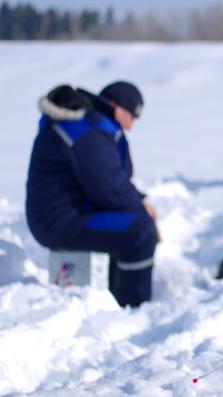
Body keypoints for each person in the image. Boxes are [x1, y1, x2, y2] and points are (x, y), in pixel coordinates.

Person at [26, 81, 159, 308]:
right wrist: (140, 208)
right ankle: (134, 308)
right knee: (140, 230)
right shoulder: (88, 132)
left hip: (64, 215)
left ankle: (117, 298)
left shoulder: (91, 125)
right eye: (132, 116)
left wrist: (139, 200)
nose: (132, 125)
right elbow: (110, 190)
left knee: (131, 220)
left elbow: (109, 182)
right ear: (117, 107)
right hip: (59, 221)